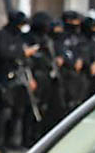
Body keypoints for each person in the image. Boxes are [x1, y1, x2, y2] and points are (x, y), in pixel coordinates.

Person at [0, 11, 39, 153]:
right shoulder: (1, 35)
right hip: (4, 78)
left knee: (18, 111)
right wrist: (23, 53)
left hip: (19, 78)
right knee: (5, 111)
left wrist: (30, 78)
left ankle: (11, 140)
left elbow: (24, 60)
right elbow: (4, 53)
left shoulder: (19, 37)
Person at [25, 12, 65, 144]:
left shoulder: (47, 39)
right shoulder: (29, 38)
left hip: (48, 77)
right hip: (35, 76)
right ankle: (29, 137)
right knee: (33, 109)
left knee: (47, 108)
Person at [56, 11, 91, 112]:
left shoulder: (80, 37)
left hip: (79, 76)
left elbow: (85, 51)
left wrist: (81, 59)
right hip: (65, 75)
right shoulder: (60, 37)